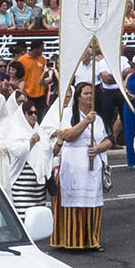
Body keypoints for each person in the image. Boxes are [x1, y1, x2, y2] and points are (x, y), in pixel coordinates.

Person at [50, 82, 113, 251]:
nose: (89, 96)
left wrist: (98, 148)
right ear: (78, 96)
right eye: (86, 93)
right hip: (73, 163)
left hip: (92, 164)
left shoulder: (98, 119)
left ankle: (92, 239)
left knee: (92, 203)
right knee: (72, 202)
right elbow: (68, 136)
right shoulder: (69, 115)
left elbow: (109, 140)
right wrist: (85, 121)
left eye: (91, 93)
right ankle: (71, 240)